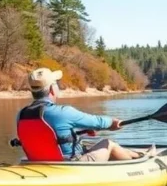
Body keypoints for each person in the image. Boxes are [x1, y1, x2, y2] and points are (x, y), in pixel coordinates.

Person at [16, 67, 148, 162]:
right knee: (108, 143)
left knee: (87, 144)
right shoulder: (63, 112)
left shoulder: (21, 115)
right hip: (72, 166)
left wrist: (75, 133)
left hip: (40, 163)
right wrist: (112, 123)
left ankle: (137, 155)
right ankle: (138, 165)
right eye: (57, 84)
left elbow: (49, 134)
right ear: (51, 89)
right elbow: (97, 122)